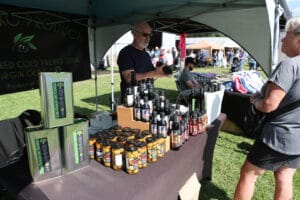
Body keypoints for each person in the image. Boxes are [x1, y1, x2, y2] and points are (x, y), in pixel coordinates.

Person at [234, 17, 300, 200]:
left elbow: (269, 104)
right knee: (285, 177)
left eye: (286, 36)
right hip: (297, 139)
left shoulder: (289, 65)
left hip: (277, 136)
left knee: (249, 174)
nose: (282, 40)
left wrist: (255, 102)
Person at [117, 21, 169, 103]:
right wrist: (154, 73)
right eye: (145, 34)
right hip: (132, 101)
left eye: (150, 35)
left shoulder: (146, 54)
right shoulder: (125, 53)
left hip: (147, 99)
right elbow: (129, 78)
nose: (148, 38)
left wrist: (159, 72)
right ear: (134, 34)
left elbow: (150, 75)